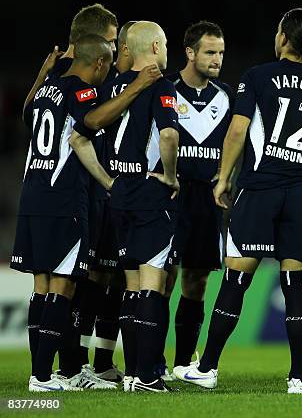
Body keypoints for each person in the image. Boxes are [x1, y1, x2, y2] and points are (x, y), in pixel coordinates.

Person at [173, 8, 302, 395]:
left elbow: (237, 130)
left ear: (284, 38)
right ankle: (298, 378)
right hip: (300, 193)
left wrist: (223, 178)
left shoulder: (258, 76)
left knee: (236, 278)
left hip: (260, 190)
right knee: (297, 285)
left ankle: (208, 367)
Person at [11, 34, 114, 392]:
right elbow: (86, 130)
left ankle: (41, 373)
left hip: (32, 196)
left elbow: (26, 115)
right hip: (63, 198)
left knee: (41, 287)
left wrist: (43, 72)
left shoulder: (45, 90)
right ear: (98, 63)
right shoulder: (83, 93)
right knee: (63, 285)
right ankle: (41, 376)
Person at [84, 21, 179, 393]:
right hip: (149, 194)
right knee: (153, 284)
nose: (167, 48)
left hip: (119, 195)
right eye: (166, 42)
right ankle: (148, 376)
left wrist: (109, 181)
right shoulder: (161, 86)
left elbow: (83, 135)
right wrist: (170, 175)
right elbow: (169, 135)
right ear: (155, 46)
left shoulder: (112, 87)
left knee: (132, 287)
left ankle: (133, 374)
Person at [160, 21, 233, 379]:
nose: (217, 58)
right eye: (210, 51)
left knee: (197, 280)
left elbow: (239, 143)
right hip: (172, 193)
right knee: (161, 277)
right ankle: (152, 362)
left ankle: (183, 363)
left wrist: (228, 174)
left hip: (206, 197)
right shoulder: (166, 90)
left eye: (220, 52)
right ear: (189, 53)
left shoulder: (227, 96)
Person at [79, 20, 138, 383]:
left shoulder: (120, 87)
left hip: (115, 199)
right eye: (113, 42)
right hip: (95, 197)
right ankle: (77, 363)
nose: (115, 50)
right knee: (93, 281)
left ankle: (100, 363)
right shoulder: (95, 90)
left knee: (113, 281)